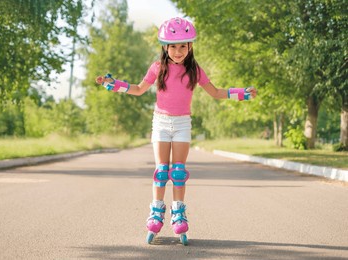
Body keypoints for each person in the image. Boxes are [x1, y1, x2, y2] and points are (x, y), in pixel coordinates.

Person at [96, 17, 257, 245]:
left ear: (190, 46)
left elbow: (216, 92)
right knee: (162, 171)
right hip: (161, 123)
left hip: (182, 124)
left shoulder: (195, 70)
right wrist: (115, 85)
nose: (178, 51)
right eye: (173, 46)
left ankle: (178, 212)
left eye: (183, 46)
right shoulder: (157, 67)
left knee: (178, 172)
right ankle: (156, 212)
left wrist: (242, 93)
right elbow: (139, 89)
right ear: (165, 47)